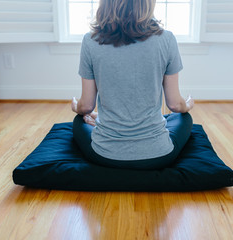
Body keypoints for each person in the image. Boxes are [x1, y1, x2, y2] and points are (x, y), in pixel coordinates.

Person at [71, 0, 194, 170]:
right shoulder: (167, 39)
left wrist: (76, 105)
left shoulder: (90, 40)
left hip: (104, 154)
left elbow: (86, 106)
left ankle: (104, 123)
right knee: (184, 117)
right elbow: (174, 104)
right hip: (159, 154)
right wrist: (187, 104)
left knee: (79, 120)